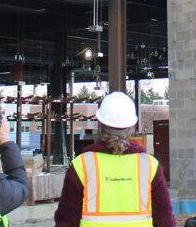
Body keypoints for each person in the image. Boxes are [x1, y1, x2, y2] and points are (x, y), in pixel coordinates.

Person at [55, 91, 175, 227]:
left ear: (100, 126)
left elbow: (66, 220)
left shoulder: (81, 166)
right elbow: (165, 220)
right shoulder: (149, 166)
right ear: (132, 127)